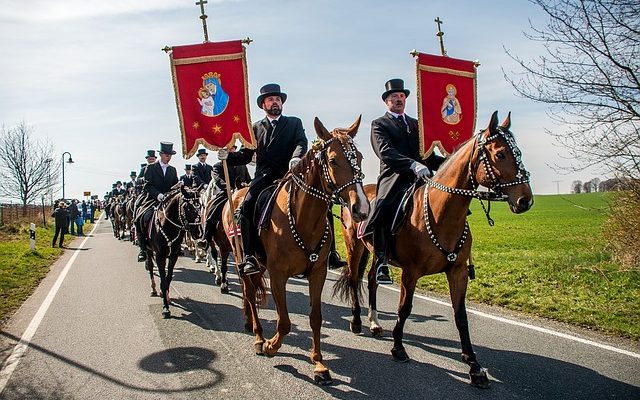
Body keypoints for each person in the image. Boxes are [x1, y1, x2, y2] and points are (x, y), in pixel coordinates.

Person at [222, 83, 307, 276]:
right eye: (271, 100)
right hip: (264, 177)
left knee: (318, 199)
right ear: (263, 105)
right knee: (247, 206)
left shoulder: (294, 123)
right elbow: (245, 155)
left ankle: (330, 253)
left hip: (290, 174)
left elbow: (301, 142)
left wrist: (296, 157)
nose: (275, 102)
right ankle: (250, 256)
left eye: (277, 99)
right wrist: (226, 156)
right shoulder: (254, 128)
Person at [368, 78, 445, 284]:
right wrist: (412, 165)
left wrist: (449, 162)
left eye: (401, 96)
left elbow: (427, 155)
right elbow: (386, 153)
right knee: (382, 208)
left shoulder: (416, 124)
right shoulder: (379, 124)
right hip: (394, 177)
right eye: (394, 97)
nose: (399, 99)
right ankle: (381, 261)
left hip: (421, 178)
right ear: (386, 101)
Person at [200, 146, 252, 248]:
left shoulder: (242, 166)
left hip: (241, 192)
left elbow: (248, 179)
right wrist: (229, 188)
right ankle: (206, 237)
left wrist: (248, 185)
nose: (231, 150)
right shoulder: (218, 166)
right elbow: (218, 180)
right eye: (229, 149)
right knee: (212, 210)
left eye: (233, 148)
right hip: (226, 193)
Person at [135, 142, 179, 262]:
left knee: (179, 217)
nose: (168, 157)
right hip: (153, 199)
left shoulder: (172, 170)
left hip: (168, 201)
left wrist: (177, 186)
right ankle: (142, 248)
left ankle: (177, 245)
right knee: (140, 218)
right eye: (166, 155)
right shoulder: (151, 167)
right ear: (161, 155)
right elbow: (147, 186)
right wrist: (158, 195)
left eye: (170, 155)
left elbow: (173, 185)